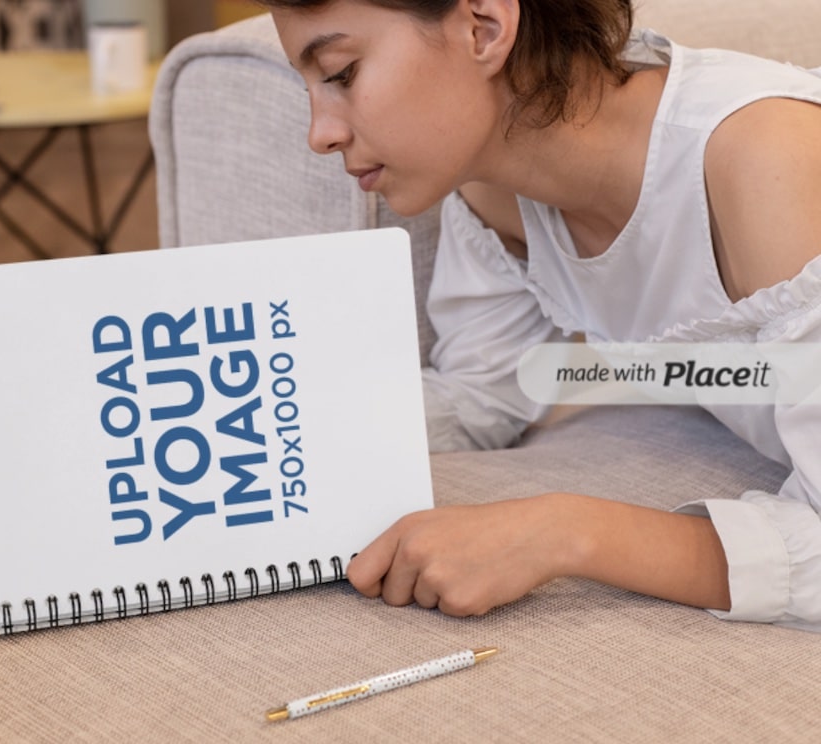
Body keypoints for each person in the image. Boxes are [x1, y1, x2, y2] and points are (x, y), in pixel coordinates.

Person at [258, 0, 821, 631]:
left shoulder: (772, 162)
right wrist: (271, 426)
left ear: (485, 27)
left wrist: (562, 532)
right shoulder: (491, 191)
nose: (320, 133)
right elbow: (485, 392)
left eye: (340, 73)